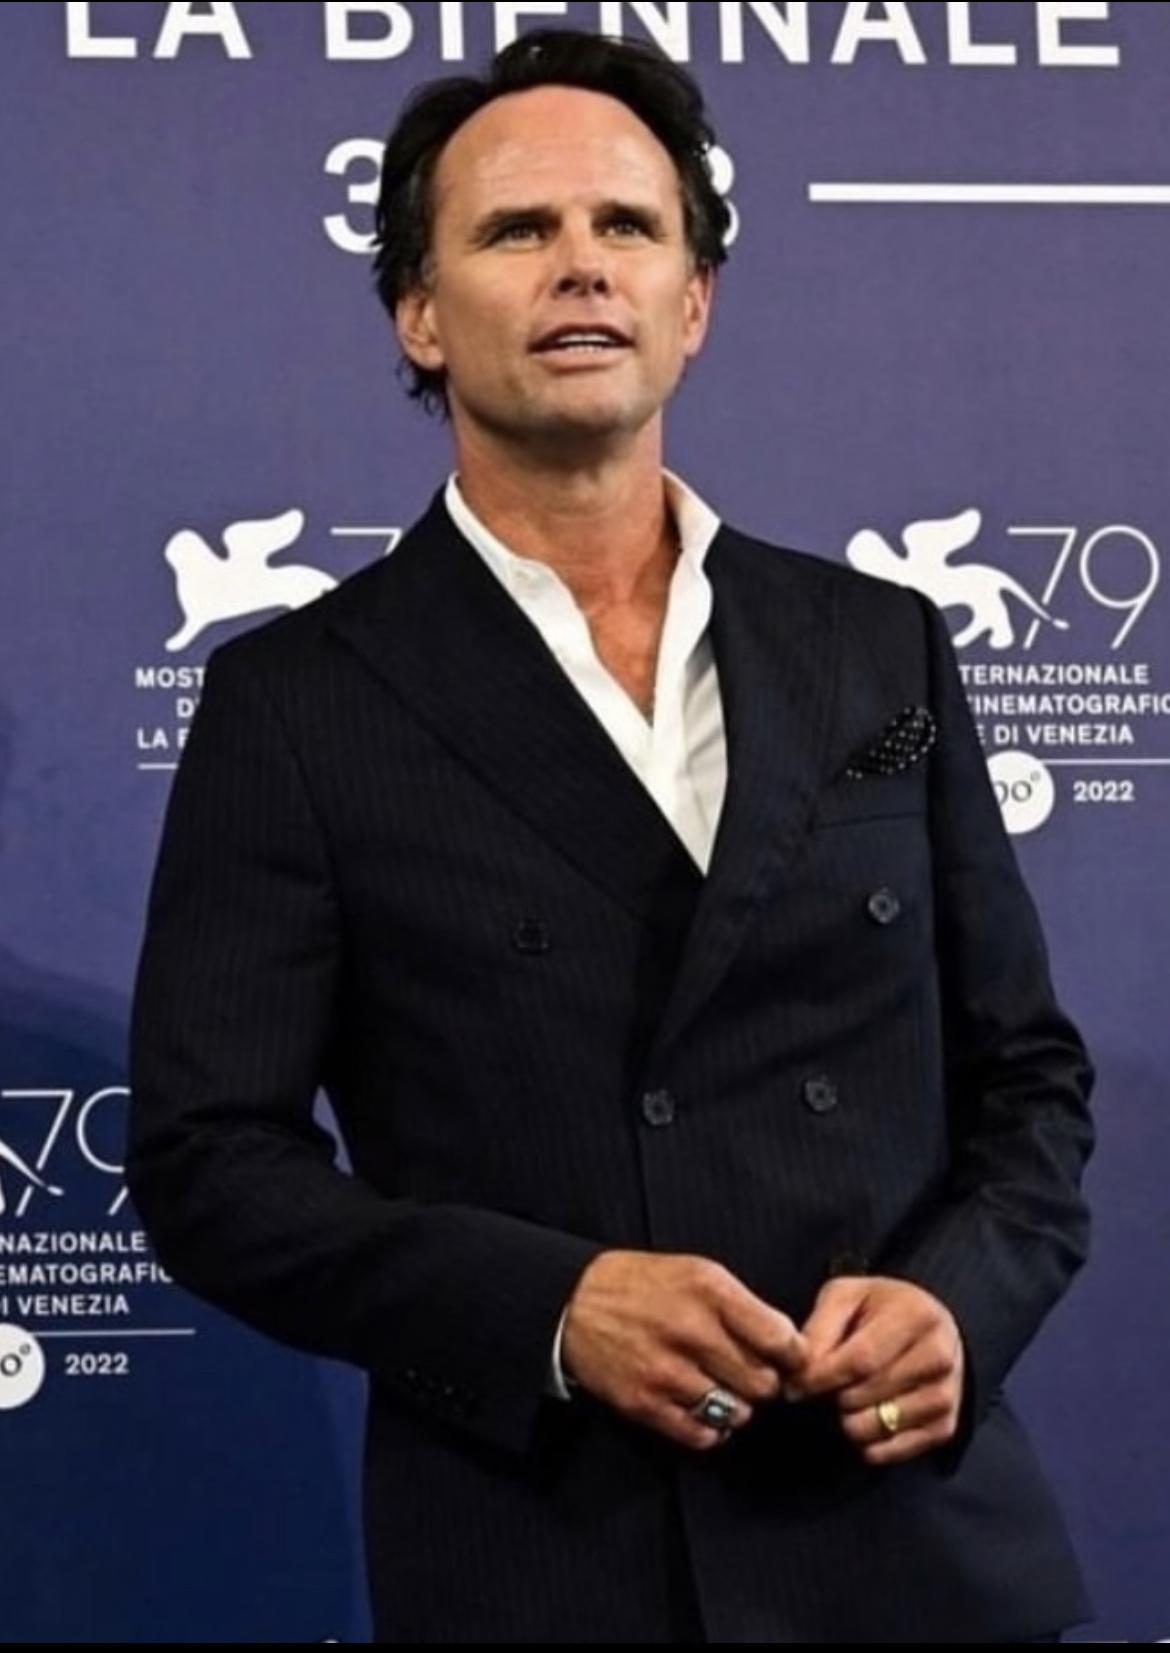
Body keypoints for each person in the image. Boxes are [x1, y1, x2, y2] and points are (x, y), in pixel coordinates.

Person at [125, 29, 1095, 1644]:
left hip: (911, 1547)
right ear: (419, 312)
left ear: (692, 301)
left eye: (627, 226)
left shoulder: (878, 646)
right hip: (553, 1553)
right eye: (517, 230)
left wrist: (959, 1305)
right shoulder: (297, 702)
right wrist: (553, 1311)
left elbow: (1028, 1077)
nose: (580, 264)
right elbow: (210, 1162)